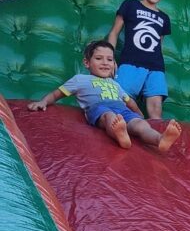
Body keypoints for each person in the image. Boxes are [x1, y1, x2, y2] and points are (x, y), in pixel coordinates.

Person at [27, 40, 182, 152]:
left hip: (122, 110)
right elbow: (57, 93)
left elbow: (129, 102)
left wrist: (140, 116)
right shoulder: (80, 79)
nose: (105, 63)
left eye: (109, 59)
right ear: (87, 63)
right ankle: (119, 135)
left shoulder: (115, 84)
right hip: (99, 109)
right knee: (109, 116)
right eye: (99, 58)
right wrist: (43, 101)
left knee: (140, 126)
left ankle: (160, 140)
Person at [107, 0, 172, 120]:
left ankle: (155, 140)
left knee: (156, 110)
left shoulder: (164, 18)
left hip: (155, 67)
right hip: (131, 62)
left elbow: (159, 45)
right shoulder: (130, 5)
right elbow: (114, 33)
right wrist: (110, 59)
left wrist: (160, 68)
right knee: (120, 104)